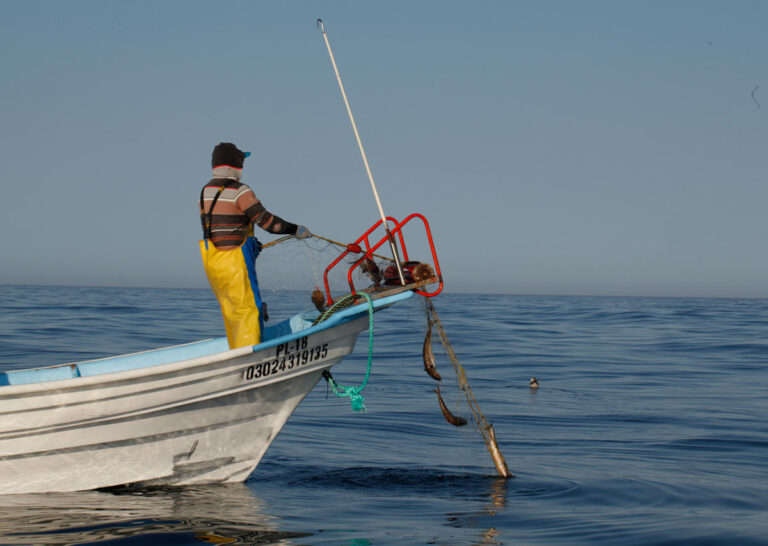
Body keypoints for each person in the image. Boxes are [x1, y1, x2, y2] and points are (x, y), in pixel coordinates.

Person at [199, 142, 311, 349]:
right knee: (249, 310)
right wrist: (295, 229)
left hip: (213, 261)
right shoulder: (241, 191)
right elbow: (269, 223)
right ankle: (251, 358)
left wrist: (250, 242)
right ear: (235, 166)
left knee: (232, 310)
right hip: (235, 262)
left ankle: (237, 350)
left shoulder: (205, 191)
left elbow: (221, 228)